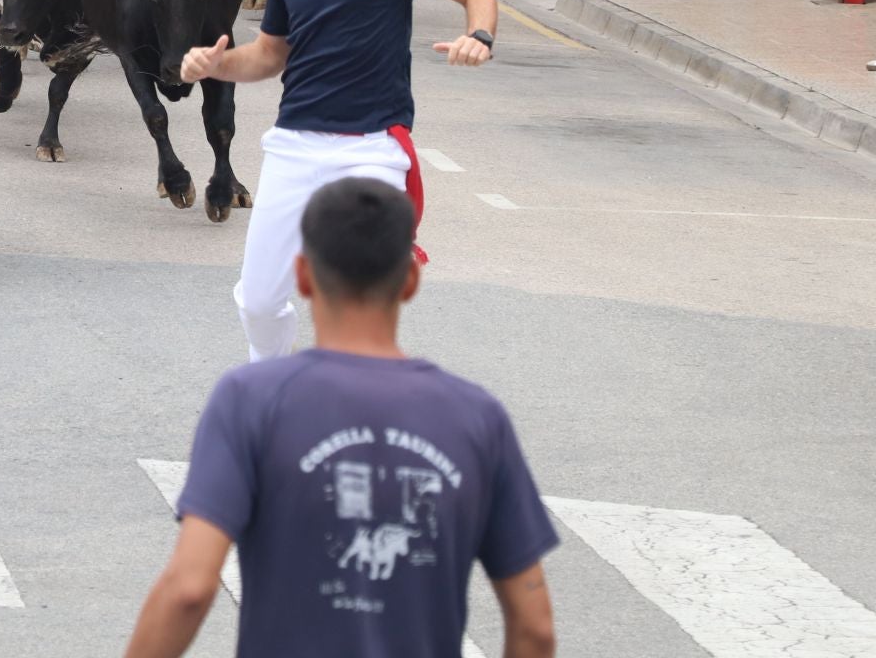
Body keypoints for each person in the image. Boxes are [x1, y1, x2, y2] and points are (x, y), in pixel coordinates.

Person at [125, 178, 558, 658]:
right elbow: (534, 627)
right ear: (410, 281)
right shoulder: (478, 417)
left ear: (304, 277)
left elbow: (189, 588)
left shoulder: (250, 399)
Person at [179, 0, 498, 363]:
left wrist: (478, 37)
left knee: (359, 302)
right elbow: (268, 55)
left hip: (372, 151)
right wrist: (216, 65)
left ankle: (355, 403)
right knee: (258, 302)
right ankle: (272, 388)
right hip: (294, 148)